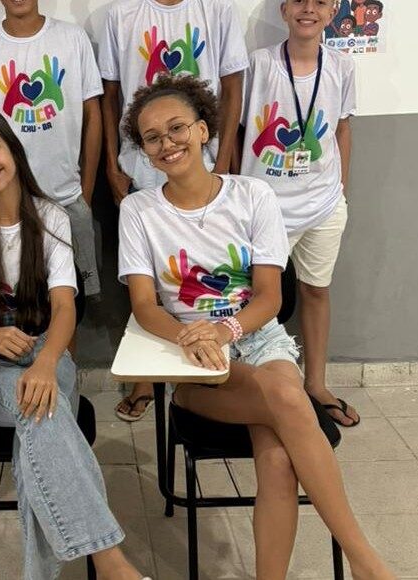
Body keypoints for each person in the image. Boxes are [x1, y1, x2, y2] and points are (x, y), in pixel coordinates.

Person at [117, 74, 392, 580]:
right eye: (152, 137)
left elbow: (270, 296)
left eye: (177, 128)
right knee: (287, 401)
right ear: (145, 152)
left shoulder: (252, 195)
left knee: (280, 458)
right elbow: (144, 306)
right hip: (191, 358)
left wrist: (225, 331)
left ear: (203, 129)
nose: (167, 143)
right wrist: (192, 337)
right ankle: (367, 563)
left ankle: (347, 565)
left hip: (257, 338)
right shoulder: (138, 210)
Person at [0, 105, 150, 580]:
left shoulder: (50, 216)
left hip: (45, 355)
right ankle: (114, 566)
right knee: (42, 413)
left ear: (12, 149)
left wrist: (46, 362)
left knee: (38, 424)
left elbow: (64, 307)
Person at [98, 0, 249, 421]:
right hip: (141, 167)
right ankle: (148, 378)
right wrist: (111, 164)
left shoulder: (217, 9)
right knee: (146, 280)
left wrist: (223, 162)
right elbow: (110, 96)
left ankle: (219, 362)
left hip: (203, 165)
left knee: (201, 269)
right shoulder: (120, 15)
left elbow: (232, 88)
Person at [238, 0, 359, 427]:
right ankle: (254, 387)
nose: (309, 9)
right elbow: (238, 129)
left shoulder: (342, 66)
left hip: (323, 205)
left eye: (320, 2)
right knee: (255, 299)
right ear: (284, 10)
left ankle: (315, 384)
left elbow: (342, 127)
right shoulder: (258, 64)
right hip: (265, 207)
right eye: (299, 1)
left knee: (316, 291)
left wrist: (340, 188)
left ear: (332, 11)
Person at [0, 0, 104, 298]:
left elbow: (92, 115)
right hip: (6, 208)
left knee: (76, 301)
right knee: (17, 301)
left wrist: (86, 193)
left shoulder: (72, 38)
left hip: (68, 199)